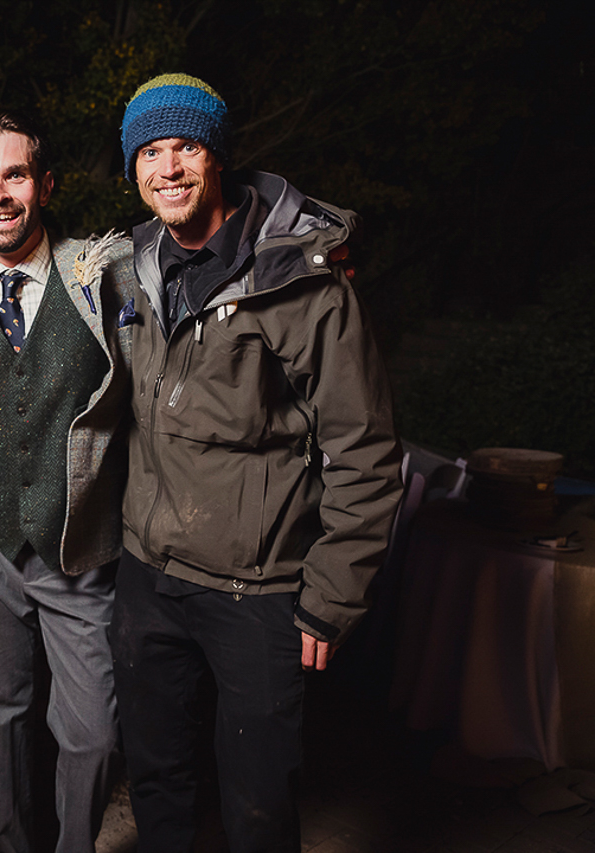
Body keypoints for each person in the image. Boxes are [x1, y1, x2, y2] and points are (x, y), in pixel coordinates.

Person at [111, 73, 403, 852]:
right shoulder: (128, 264)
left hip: (259, 586)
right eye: (150, 151)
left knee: (259, 798)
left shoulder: (301, 280)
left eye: (187, 147)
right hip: (148, 574)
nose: (168, 168)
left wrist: (333, 594)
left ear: (219, 156)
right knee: (157, 781)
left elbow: (365, 449)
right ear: (132, 166)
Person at [0, 113, 137, 853]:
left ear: (45, 185)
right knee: (0, 712)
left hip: (77, 548)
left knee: (91, 729)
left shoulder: (101, 268)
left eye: (14, 174)